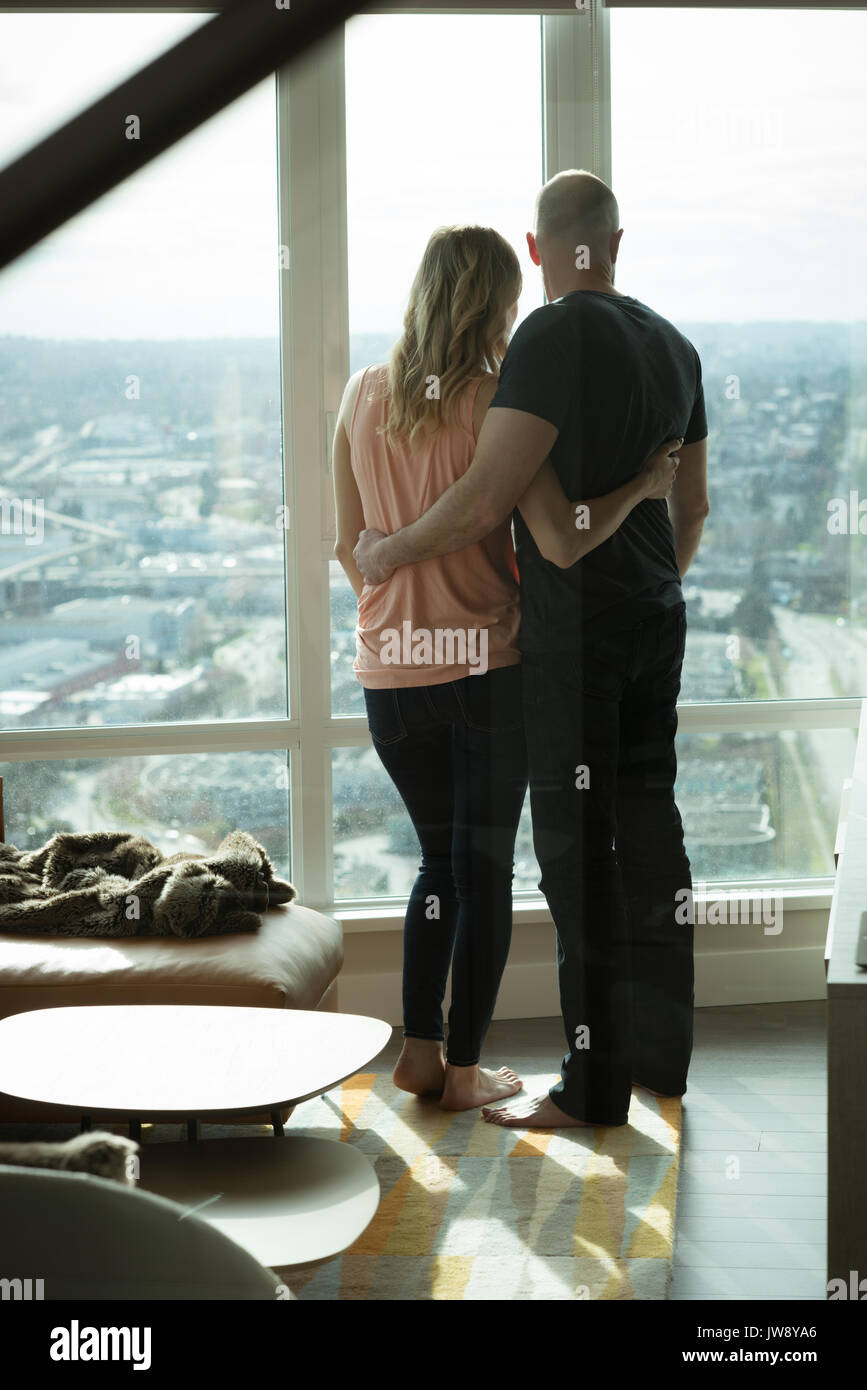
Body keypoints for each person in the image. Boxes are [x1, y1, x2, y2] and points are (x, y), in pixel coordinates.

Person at [353, 171, 709, 1129]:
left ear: (542, 250)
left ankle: (586, 1087)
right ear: (617, 242)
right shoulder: (676, 346)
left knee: (567, 857)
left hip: (552, 644)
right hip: (647, 624)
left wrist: (383, 558)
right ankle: (658, 1062)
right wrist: (649, 580)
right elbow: (695, 505)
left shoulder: (542, 341)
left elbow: (504, 514)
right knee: (647, 836)